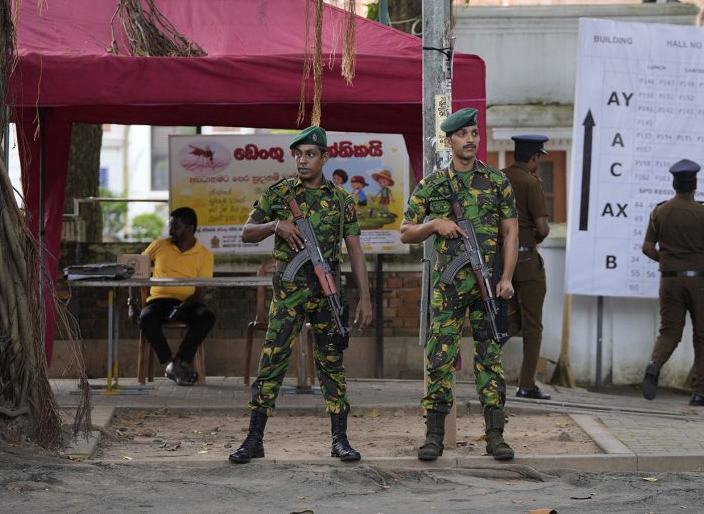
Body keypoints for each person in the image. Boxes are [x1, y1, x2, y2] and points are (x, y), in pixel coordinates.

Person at [229, 126, 373, 464]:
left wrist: (365, 298)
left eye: (310, 154)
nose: (303, 160)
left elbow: (355, 251)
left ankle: (340, 439)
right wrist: (275, 226)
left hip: (327, 292)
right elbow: (246, 232)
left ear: (325, 158)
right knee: (272, 362)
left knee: (332, 364)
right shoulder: (279, 194)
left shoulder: (341, 200)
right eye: (298, 155)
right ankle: (254, 439)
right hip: (289, 292)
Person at [400, 108, 518, 461]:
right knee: (440, 359)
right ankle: (433, 437)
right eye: (462, 134)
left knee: (490, 359)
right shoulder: (432, 184)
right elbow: (406, 232)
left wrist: (507, 277)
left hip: (488, 286)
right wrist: (435, 224)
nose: (470, 139)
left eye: (474, 133)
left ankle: (495, 436)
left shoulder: (496, 181)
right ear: (448, 141)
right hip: (448, 289)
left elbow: (511, 232)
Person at [640, 159, 704, 407]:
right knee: (703, 334)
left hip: (670, 280)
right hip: (699, 281)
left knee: (669, 331)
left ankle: (655, 363)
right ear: (695, 185)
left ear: (674, 184)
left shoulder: (659, 212)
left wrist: (666, 260)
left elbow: (647, 247)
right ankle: (699, 391)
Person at [139, 207, 216, 386]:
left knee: (207, 317)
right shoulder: (159, 245)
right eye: (170, 226)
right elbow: (134, 269)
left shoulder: (205, 255)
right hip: (159, 301)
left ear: (190, 229)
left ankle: (180, 361)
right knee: (145, 318)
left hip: (188, 304)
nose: (171, 230)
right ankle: (170, 362)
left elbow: (200, 293)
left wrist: (181, 307)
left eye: (176, 226)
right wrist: (131, 303)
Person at [502, 134, 551, 400]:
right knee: (533, 326)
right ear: (534, 157)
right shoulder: (531, 182)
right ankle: (527, 384)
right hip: (527, 262)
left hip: (502, 261)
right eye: (539, 158)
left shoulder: (498, 178)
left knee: (511, 319)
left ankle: (485, 363)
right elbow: (542, 228)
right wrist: (534, 238)